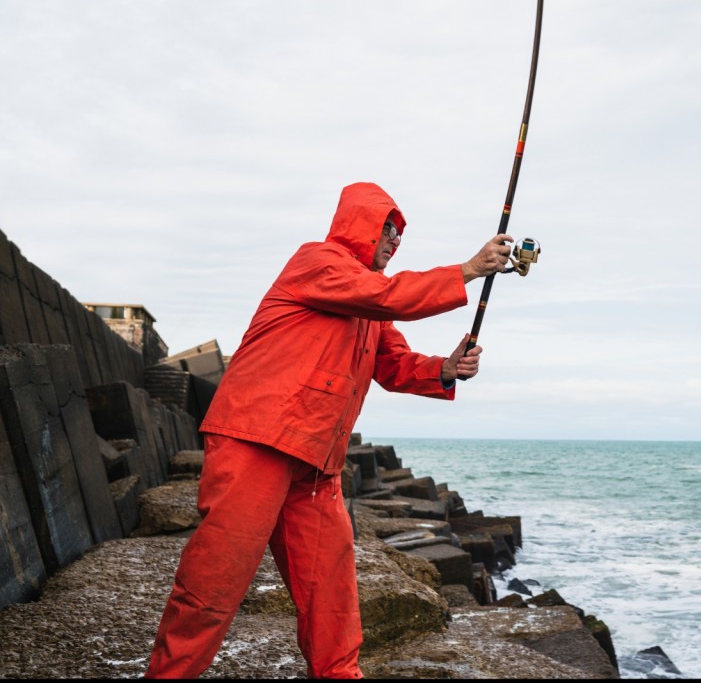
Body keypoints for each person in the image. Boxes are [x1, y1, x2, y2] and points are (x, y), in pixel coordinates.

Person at [145, 182, 512, 678]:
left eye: (399, 234)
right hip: (257, 441)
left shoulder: (368, 304)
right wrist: (467, 271)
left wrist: (444, 368)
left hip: (317, 463)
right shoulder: (318, 261)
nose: (393, 241)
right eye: (386, 228)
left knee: (332, 593)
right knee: (214, 580)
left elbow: (395, 363)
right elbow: (387, 295)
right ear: (358, 224)